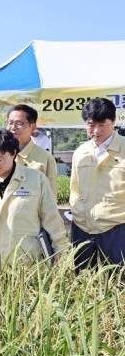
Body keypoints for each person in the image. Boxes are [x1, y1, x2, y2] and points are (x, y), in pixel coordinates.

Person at [0, 130, 68, 267]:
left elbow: (52, 219)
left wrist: (62, 253)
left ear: (13, 153)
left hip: (26, 264)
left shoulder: (36, 180)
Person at [70, 98, 125, 270]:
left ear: (114, 122)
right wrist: (77, 211)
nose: (96, 131)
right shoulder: (80, 152)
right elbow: (74, 188)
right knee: (83, 283)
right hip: (82, 228)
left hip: (117, 229)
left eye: (102, 125)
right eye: (91, 125)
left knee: (118, 283)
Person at [6, 104, 58, 192]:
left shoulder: (45, 158)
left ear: (32, 126)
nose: (13, 127)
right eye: (10, 123)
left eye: (19, 123)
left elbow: (51, 194)